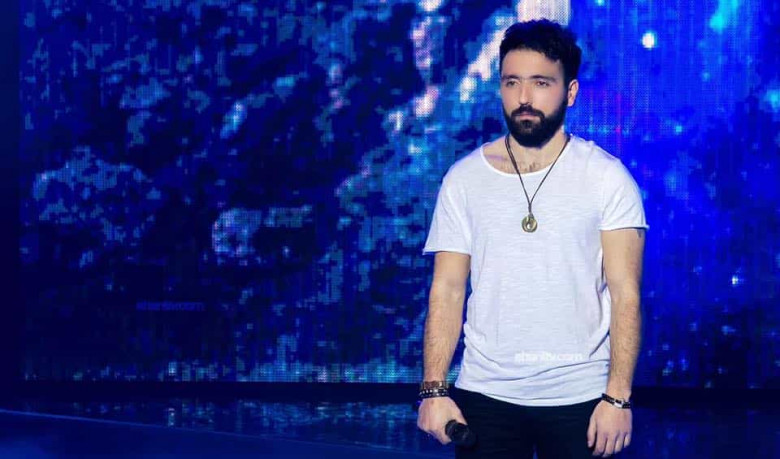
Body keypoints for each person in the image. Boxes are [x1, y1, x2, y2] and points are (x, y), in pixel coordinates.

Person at [416, 19, 648, 458]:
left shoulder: (607, 178)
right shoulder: (464, 179)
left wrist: (618, 398)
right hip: (485, 394)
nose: (524, 97)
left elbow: (626, 293)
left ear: (570, 92)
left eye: (541, 83)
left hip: (581, 396)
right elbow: (447, 288)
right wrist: (433, 390)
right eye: (512, 82)